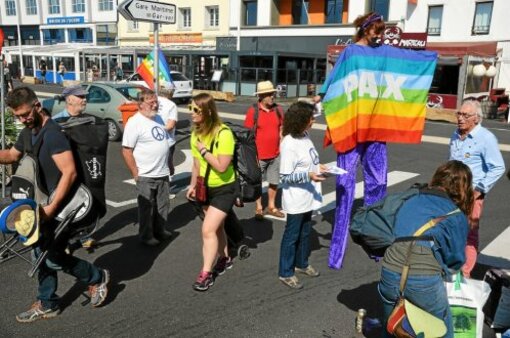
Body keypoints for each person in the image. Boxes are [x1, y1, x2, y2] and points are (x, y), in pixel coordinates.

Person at [1, 87, 109, 323]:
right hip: (41, 204)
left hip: (61, 207)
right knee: (40, 252)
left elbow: (69, 173)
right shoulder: (28, 132)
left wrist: (50, 210)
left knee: (50, 257)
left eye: (25, 114)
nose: (22, 120)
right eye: (17, 116)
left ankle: (96, 277)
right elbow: (11, 155)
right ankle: (48, 302)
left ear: (37, 105)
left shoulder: (53, 135)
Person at [314, 12, 388, 269]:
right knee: (345, 182)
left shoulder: (385, 53)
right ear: (366, 30)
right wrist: (319, 98)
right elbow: (333, 81)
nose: (380, 35)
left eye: (383, 31)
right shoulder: (351, 53)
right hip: (353, 128)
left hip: (377, 128)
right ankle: (337, 249)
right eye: (377, 31)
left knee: (378, 183)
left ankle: (375, 240)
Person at [378, 160, 473, 338]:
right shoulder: (455, 215)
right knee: (441, 329)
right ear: (463, 187)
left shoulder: (411, 199)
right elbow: (455, 259)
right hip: (424, 279)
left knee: (393, 324)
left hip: (389, 269)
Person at [449, 99, 505, 277]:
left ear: (476, 118)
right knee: (451, 230)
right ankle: (451, 267)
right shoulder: (455, 135)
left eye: (465, 115)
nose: (460, 118)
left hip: (472, 194)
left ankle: (464, 274)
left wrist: (479, 190)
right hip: (452, 193)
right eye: (459, 113)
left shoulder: (486, 138)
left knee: (469, 235)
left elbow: (498, 167)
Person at [186, 93, 237, 292]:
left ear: (207, 111)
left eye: (195, 110)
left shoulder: (223, 134)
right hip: (205, 187)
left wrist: (205, 150)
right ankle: (225, 258)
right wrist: (192, 185)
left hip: (225, 188)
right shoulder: (195, 133)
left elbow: (223, 167)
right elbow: (196, 164)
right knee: (216, 228)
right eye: (191, 109)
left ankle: (206, 274)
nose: (191, 113)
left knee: (207, 230)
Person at [278, 101, 327, 289]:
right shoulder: (289, 143)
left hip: (309, 196)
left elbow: (310, 161)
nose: (313, 120)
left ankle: (302, 263)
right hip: (296, 199)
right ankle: (285, 272)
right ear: (301, 120)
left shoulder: (305, 136)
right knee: (292, 235)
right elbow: (285, 176)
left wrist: (320, 168)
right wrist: (309, 174)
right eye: (310, 118)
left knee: (305, 232)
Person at [52, 85, 105, 250]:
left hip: (85, 171)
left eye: (85, 97)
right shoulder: (58, 122)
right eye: (80, 97)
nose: (85, 100)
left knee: (85, 203)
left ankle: (84, 237)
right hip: (66, 173)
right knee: (67, 206)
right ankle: (65, 240)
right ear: (69, 100)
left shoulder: (89, 120)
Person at [121, 88, 173, 246]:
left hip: (162, 172)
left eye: (156, 102)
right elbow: (126, 150)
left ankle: (160, 230)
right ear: (141, 104)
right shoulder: (134, 122)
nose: (155, 105)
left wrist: (169, 163)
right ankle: (146, 236)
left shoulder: (158, 118)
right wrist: (136, 173)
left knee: (163, 205)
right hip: (146, 174)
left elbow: (165, 143)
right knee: (147, 208)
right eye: (151, 102)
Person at [244, 81, 285, 220]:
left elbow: (281, 129)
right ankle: (259, 208)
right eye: (268, 94)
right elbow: (248, 135)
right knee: (258, 182)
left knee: (274, 181)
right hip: (258, 155)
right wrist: (251, 155)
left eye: (272, 94)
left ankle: (272, 206)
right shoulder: (253, 111)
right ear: (261, 96)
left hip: (276, 153)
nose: (272, 97)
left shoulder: (278, 109)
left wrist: (282, 145)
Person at [157, 89, 178, 178]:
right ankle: (169, 175)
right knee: (167, 164)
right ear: (170, 94)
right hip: (167, 141)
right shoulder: (171, 105)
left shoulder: (151, 101)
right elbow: (170, 126)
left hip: (153, 140)